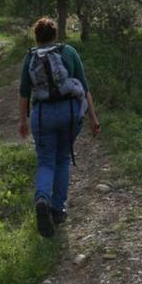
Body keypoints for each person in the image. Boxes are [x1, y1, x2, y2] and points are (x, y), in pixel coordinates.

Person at [18, 17, 101, 238]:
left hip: (43, 114)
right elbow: (84, 86)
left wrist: (22, 121)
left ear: (36, 37)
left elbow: (24, 93)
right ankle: (57, 210)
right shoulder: (69, 52)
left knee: (46, 160)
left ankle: (42, 198)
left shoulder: (30, 57)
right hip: (70, 112)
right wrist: (93, 118)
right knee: (63, 157)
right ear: (55, 35)